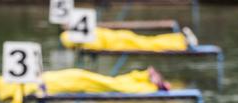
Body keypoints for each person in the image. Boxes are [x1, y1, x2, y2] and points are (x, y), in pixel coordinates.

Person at [0, 66, 171, 103]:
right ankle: (142, 76)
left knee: (112, 86)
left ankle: (151, 86)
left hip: (76, 81)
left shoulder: (23, 88)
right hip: (74, 76)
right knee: (110, 82)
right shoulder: (27, 81)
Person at [60, 26, 199, 52]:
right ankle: (180, 40)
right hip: (117, 41)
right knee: (149, 43)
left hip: (117, 38)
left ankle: (181, 40)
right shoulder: (74, 37)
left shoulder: (80, 33)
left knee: (148, 42)